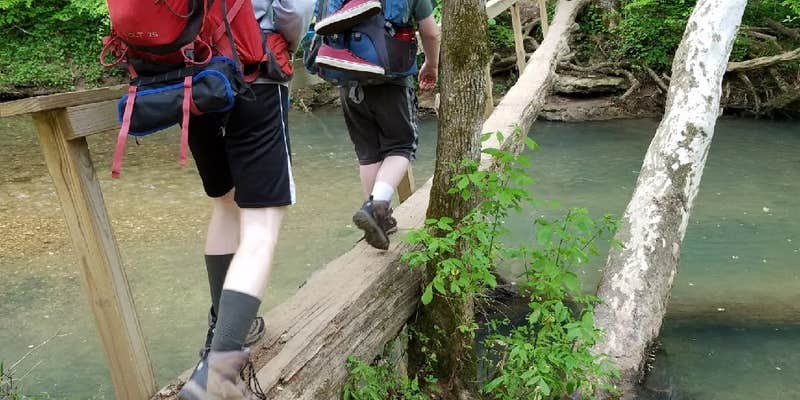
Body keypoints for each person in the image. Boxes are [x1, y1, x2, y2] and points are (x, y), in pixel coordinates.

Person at [177, 0, 314, 398]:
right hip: (253, 73)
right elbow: (292, 12)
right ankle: (218, 376)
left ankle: (216, 345)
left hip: (191, 83)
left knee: (224, 204)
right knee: (262, 226)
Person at [315, 0, 440, 250]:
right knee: (402, 146)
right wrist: (431, 64)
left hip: (348, 77)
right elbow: (430, 32)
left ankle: (378, 219)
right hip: (390, 77)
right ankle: (376, 207)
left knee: (368, 152)